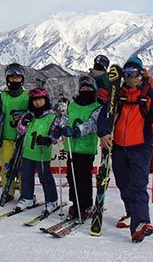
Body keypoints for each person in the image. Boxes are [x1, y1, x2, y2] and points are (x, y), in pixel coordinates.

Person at [97, 56, 153, 243]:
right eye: (127, 73)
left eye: (134, 73)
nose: (130, 77)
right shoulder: (118, 94)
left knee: (138, 186)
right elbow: (104, 115)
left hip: (140, 147)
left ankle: (141, 224)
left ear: (141, 73)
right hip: (119, 148)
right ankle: (132, 214)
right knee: (124, 184)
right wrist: (104, 132)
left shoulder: (150, 95)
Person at [62, 76, 102, 220]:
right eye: (83, 88)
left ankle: (85, 205)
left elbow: (92, 123)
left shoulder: (97, 107)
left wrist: (77, 131)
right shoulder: (72, 105)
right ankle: (75, 203)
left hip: (86, 148)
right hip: (72, 147)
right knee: (71, 177)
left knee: (83, 177)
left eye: (89, 89)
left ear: (94, 91)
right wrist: (62, 127)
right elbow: (65, 118)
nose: (85, 91)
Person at [14, 88, 59, 211]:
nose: (37, 103)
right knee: (26, 175)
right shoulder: (29, 115)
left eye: (40, 99)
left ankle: (52, 200)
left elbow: (55, 133)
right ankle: (27, 197)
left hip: (42, 152)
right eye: (35, 100)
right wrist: (23, 122)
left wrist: (48, 139)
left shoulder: (51, 116)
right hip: (28, 151)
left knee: (45, 177)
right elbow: (21, 130)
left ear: (46, 100)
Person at [0, 63, 29, 203]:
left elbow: (34, 114)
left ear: (22, 79)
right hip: (7, 138)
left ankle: (25, 193)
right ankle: (8, 191)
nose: (15, 80)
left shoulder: (27, 95)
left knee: (23, 169)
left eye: (17, 78)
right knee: (6, 167)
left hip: (23, 139)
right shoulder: (3, 96)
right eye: (12, 78)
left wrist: (24, 115)